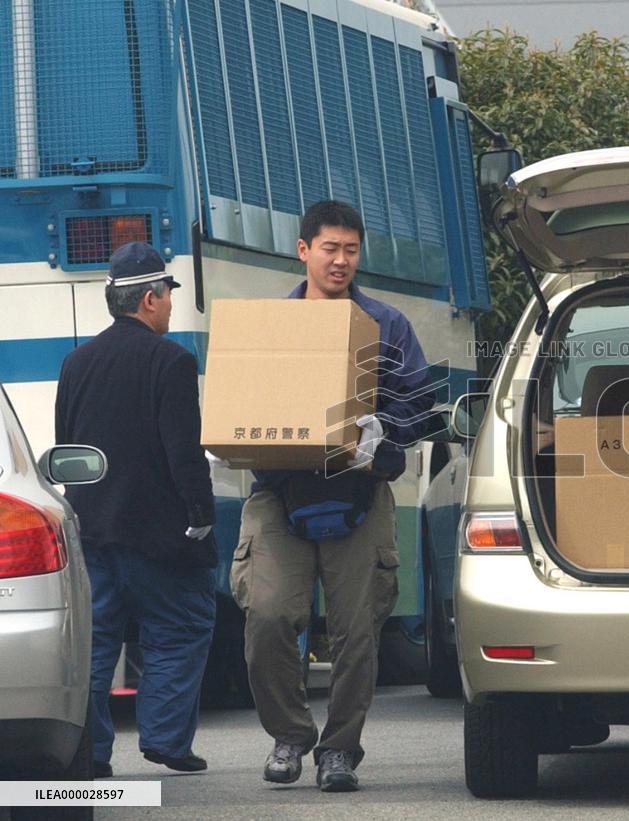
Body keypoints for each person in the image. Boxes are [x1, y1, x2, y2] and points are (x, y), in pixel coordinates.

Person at [232, 200, 434, 792]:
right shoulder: (272, 327)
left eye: (350, 249)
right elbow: (238, 400)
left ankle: (340, 749)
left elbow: (419, 402)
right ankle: (290, 735)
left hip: (361, 492)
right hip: (278, 492)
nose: (341, 260)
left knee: (357, 629)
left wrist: (384, 432)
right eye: (330, 248)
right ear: (303, 251)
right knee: (267, 615)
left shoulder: (387, 325)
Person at [54, 241, 217, 778]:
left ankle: (93, 755)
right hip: (161, 536)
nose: (170, 303)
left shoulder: (75, 363)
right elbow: (183, 451)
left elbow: (67, 448)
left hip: (92, 532)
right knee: (180, 630)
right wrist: (201, 514)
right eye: (168, 294)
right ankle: (167, 740)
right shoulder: (171, 361)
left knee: (95, 645)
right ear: (150, 298)